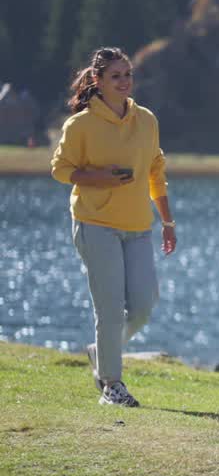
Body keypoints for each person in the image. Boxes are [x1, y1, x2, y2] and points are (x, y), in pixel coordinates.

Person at [51, 47, 177, 408]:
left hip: (138, 226)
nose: (124, 82)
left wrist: (167, 221)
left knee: (143, 306)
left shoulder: (147, 120)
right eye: (116, 76)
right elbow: (61, 169)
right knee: (108, 308)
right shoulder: (80, 125)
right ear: (97, 81)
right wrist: (98, 178)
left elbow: (156, 171)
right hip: (95, 224)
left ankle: (101, 352)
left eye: (128, 74)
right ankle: (112, 385)